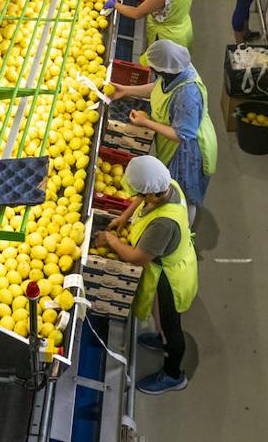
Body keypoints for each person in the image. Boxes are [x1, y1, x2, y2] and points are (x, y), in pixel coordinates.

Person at [93, 154, 197, 394]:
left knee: (171, 325)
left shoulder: (163, 224)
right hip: (171, 262)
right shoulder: (168, 186)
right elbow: (142, 201)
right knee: (160, 316)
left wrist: (110, 240)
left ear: (150, 192)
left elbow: (137, 257)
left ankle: (173, 375)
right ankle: (161, 337)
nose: (137, 197)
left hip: (169, 278)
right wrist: (123, 217)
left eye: (139, 192)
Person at [110, 40, 217, 225]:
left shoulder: (188, 93)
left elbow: (183, 134)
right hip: (175, 141)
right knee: (167, 187)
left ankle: (183, 229)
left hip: (188, 151)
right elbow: (158, 87)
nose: (152, 70)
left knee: (182, 195)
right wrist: (126, 90)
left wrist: (147, 122)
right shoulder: (176, 69)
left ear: (164, 70)